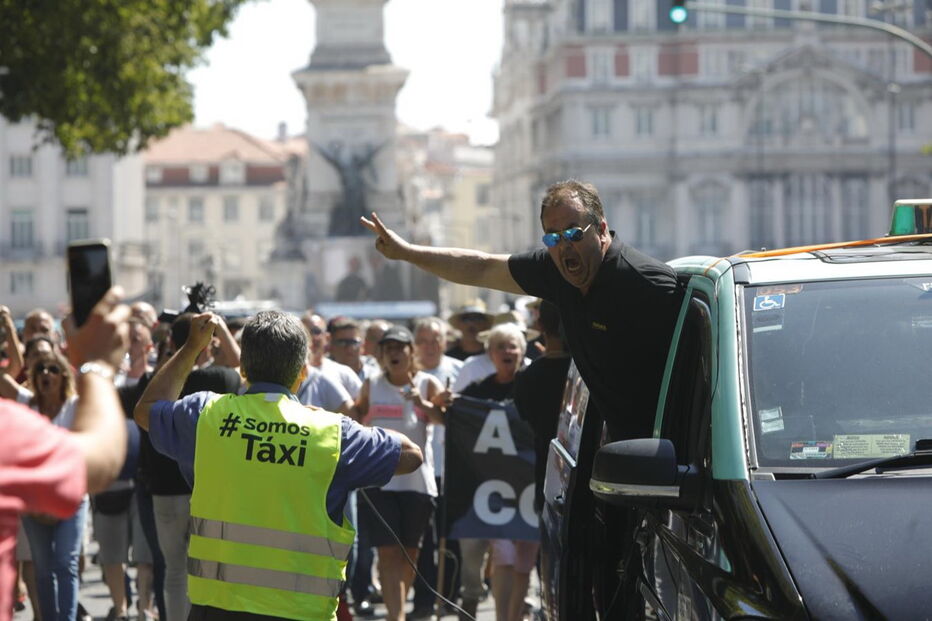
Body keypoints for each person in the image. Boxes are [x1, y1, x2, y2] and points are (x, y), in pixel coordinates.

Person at [134, 311, 423, 621]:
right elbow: (411, 454)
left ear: (243, 369)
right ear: (302, 373)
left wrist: (192, 347)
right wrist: (337, 423)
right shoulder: (331, 433)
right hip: (301, 612)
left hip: (217, 609)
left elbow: (147, 410)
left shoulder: (207, 414)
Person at [362, 179, 683, 443]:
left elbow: (691, 381)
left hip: (665, 455)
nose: (564, 246)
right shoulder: (555, 269)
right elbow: (482, 268)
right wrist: (407, 252)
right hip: (613, 447)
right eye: (553, 238)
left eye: (573, 233)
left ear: (601, 229)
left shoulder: (645, 285)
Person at [0, 287, 130, 621]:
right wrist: (98, 366)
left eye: (52, 370)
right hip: (42, 503)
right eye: (39, 370)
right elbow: (99, 462)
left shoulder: (20, 421)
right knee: (45, 568)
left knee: (65, 565)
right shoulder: (15, 420)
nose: (45, 375)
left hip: (67, 503)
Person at [144, 313, 242, 621]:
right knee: (214, 571)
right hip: (210, 490)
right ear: (210, 343)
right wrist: (220, 328)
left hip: (166, 489)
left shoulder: (155, 384)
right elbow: (239, 364)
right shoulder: (222, 380)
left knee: (175, 570)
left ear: (172, 343)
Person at [351, 325, 450, 621]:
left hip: (418, 483)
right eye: (388, 348)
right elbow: (357, 417)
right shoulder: (372, 384)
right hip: (380, 481)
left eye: (400, 347)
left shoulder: (427, 383)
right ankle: (396, 617)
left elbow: (444, 421)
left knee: (410, 555)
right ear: (381, 354)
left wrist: (424, 404)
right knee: (387, 552)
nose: (394, 353)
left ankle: (398, 609)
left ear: (411, 352)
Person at [456, 323, 534, 621]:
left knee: (523, 559)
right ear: (490, 353)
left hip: (527, 484)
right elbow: (455, 418)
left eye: (513, 346)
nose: (507, 352)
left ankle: (516, 612)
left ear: (522, 352)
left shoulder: (532, 385)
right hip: (492, 487)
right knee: (503, 553)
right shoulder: (479, 390)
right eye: (501, 346)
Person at [410, 317, 463, 618]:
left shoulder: (457, 370)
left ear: (445, 342)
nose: (430, 346)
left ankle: (450, 595)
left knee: (449, 537)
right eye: (424, 340)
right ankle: (423, 600)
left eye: (436, 339)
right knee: (422, 540)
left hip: (450, 466)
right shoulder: (407, 373)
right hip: (419, 470)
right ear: (415, 344)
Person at [513, 300, 572, 517]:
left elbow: (525, 417)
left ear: (539, 325)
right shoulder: (585, 372)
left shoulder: (527, 377)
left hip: (549, 476)